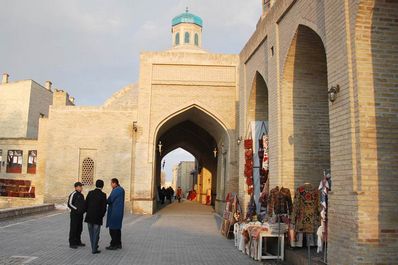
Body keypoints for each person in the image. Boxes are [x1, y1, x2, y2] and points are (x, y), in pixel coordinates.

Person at [84, 179, 107, 254]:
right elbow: (104, 208)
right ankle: (94, 249)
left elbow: (86, 204)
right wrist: (102, 215)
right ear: (102, 186)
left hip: (89, 216)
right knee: (96, 233)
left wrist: (88, 212)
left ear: (95, 185)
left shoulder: (90, 193)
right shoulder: (103, 195)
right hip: (97, 217)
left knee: (91, 233)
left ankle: (93, 246)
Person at [106, 178, 125, 250]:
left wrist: (105, 200)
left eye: (111, 183)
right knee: (117, 229)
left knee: (112, 229)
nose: (111, 185)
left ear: (114, 183)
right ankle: (118, 244)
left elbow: (110, 200)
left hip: (114, 212)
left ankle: (113, 245)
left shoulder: (116, 190)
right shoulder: (121, 189)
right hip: (119, 212)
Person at [68, 182, 86, 249]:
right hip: (74, 215)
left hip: (80, 215)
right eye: (80, 186)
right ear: (76, 187)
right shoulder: (73, 194)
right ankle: (72, 243)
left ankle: (78, 241)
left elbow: (83, 204)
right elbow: (69, 204)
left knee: (79, 228)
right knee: (73, 228)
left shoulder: (81, 195)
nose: (81, 188)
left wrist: (83, 210)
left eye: (81, 186)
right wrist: (76, 209)